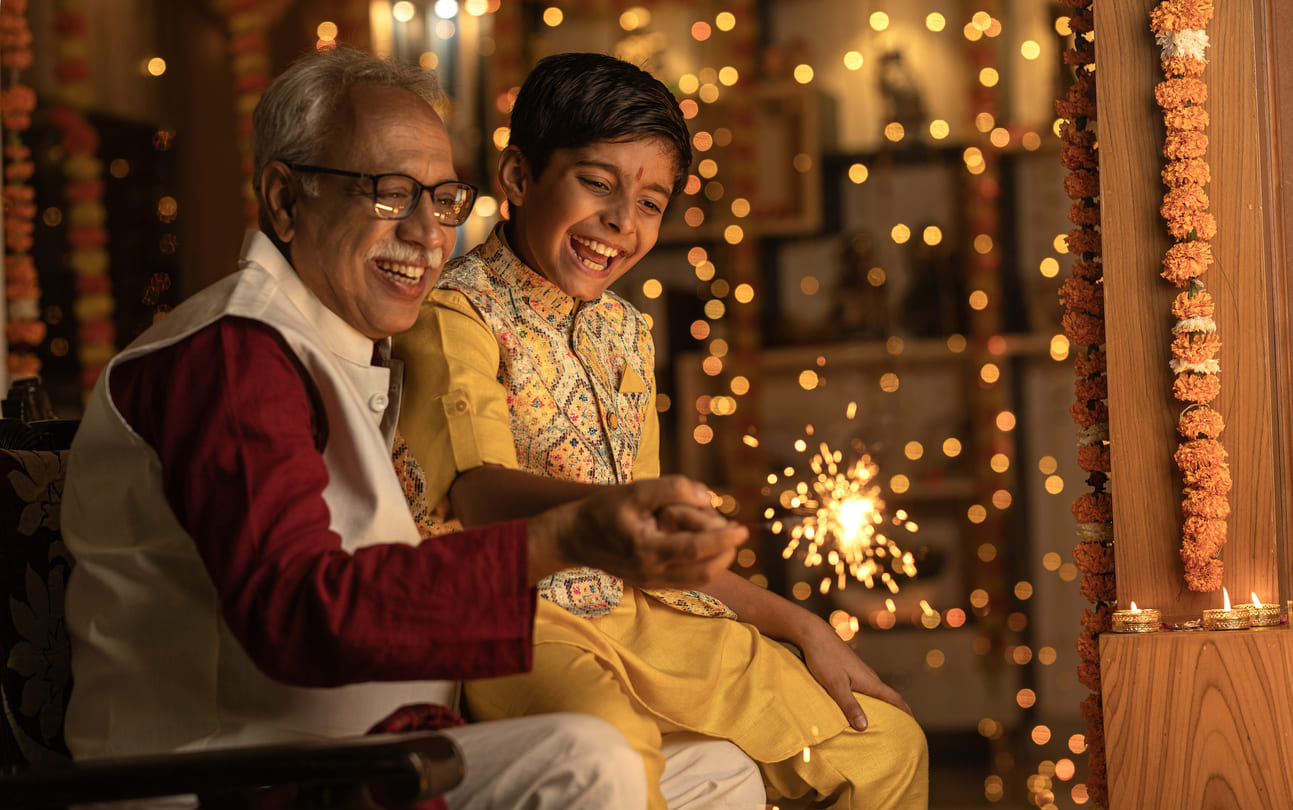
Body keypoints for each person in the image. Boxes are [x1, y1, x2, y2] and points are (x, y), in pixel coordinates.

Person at [60, 46, 756, 810]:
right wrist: (565, 535)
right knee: (586, 757)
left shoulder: (352, 346)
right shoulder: (232, 355)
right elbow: (297, 615)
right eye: (390, 195)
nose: (430, 234)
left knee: (721, 775)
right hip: (229, 779)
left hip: (376, 761)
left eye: (444, 198)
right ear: (286, 200)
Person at [393, 52, 929, 810]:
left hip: (655, 619)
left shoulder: (626, 334)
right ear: (517, 178)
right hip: (519, 621)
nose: (622, 221)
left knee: (884, 745)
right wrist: (608, 518)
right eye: (597, 183)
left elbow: (652, 542)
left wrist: (801, 624)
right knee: (614, 751)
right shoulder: (457, 317)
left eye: (651, 201)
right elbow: (473, 494)